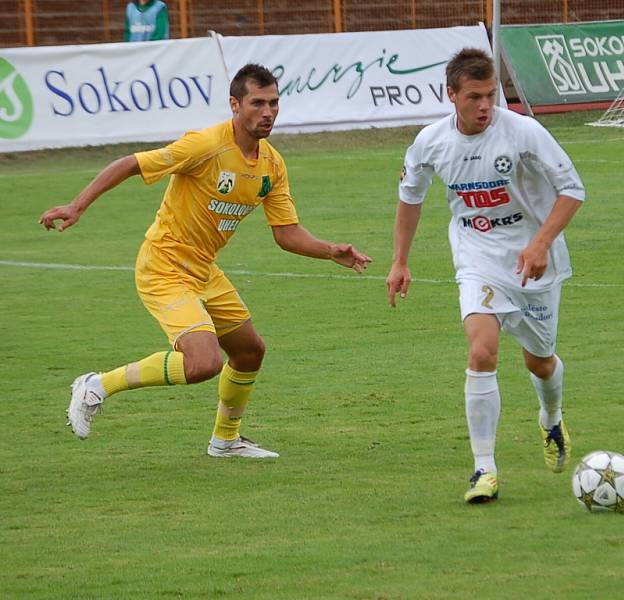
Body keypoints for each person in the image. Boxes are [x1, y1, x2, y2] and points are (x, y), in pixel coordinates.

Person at [39, 64, 372, 458]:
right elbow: (131, 163)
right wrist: (77, 206)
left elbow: (286, 233)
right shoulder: (204, 145)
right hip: (163, 265)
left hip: (203, 270)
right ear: (235, 104)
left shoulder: (272, 165)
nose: (268, 112)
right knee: (203, 363)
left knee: (250, 352)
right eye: (257, 103)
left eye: (274, 103)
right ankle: (97, 384)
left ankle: (226, 441)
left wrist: (330, 250)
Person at [385, 48, 585, 503]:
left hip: (536, 262)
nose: (484, 106)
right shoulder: (430, 142)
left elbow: (573, 190)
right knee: (481, 351)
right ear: (451, 94)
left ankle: (550, 417)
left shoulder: (523, 132)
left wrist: (540, 244)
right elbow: (409, 197)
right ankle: (484, 470)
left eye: (491, 95)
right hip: (477, 257)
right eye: (474, 96)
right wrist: (400, 260)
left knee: (540, 360)